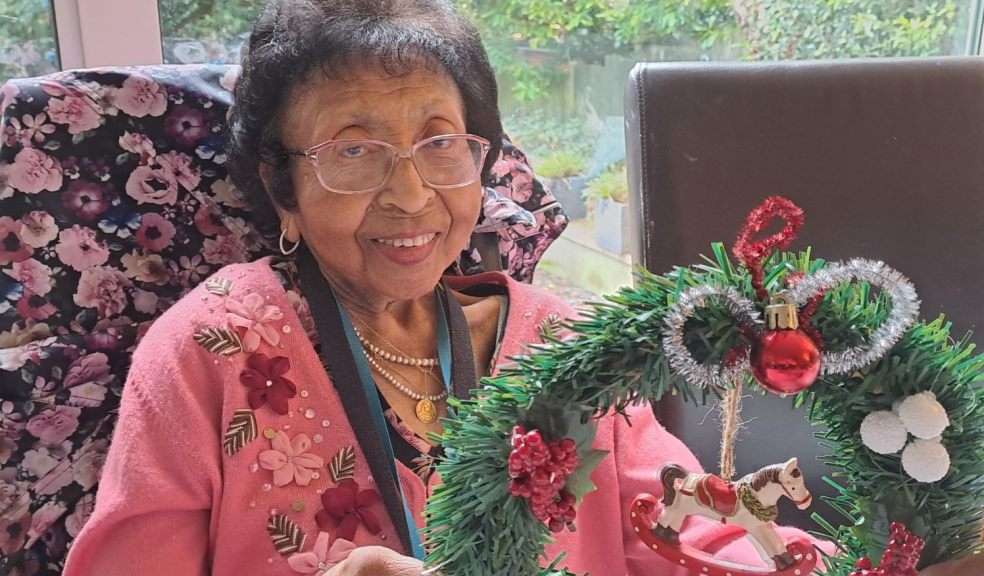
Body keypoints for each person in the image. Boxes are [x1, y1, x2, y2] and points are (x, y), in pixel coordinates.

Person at [61, 1, 981, 575]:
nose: (411, 192)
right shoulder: (211, 348)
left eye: (440, 141)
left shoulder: (556, 343)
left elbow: (687, 529)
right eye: (353, 149)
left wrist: (898, 562)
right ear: (280, 185)